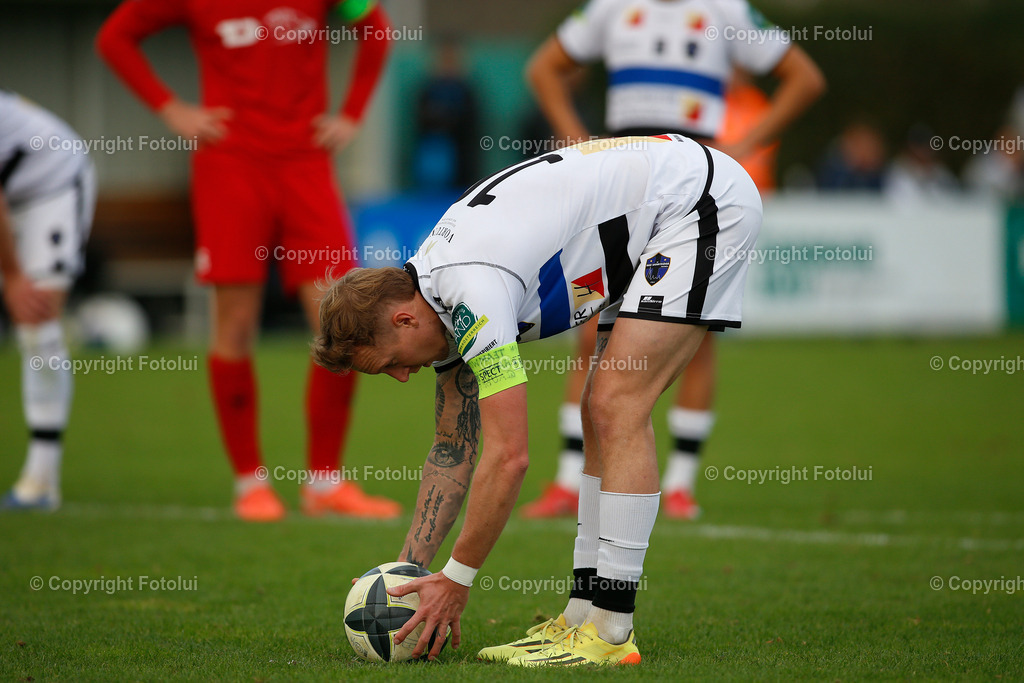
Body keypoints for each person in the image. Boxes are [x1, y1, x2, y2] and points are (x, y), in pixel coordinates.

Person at [313, 134, 763, 665]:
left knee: (617, 405)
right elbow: (452, 450)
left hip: (698, 202)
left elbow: (509, 457)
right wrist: (406, 576)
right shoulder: (435, 288)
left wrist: (456, 581)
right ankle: (580, 618)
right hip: (654, 217)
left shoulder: (472, 290)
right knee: (599, 406)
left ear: (402, 319)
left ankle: (611, 632)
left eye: (389, 363)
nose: (402, 376)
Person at [520, 0, 825, 520]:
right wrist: (576, 140)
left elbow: (804, 77)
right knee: (590, 319)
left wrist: (747, 144)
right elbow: (542, 67)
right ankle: (570, 480)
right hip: (624, 174)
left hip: (696, 177)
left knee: (693, 332)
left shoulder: (725, 9)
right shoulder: (609, 7)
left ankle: (681, 485)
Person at [96, 0, 399, 521]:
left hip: (306, 165)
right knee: (234, 323)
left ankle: (324, 483)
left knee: (344, 320)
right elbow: (114, 39)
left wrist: (352, 114)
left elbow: (374, 29)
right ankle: (249, 484)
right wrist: (172, 108)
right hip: (231, 165)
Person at [1, 90, 97, 511]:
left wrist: (14, 276)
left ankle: (41, 480)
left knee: (36, 322)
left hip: (52, 181)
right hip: (12, 186)